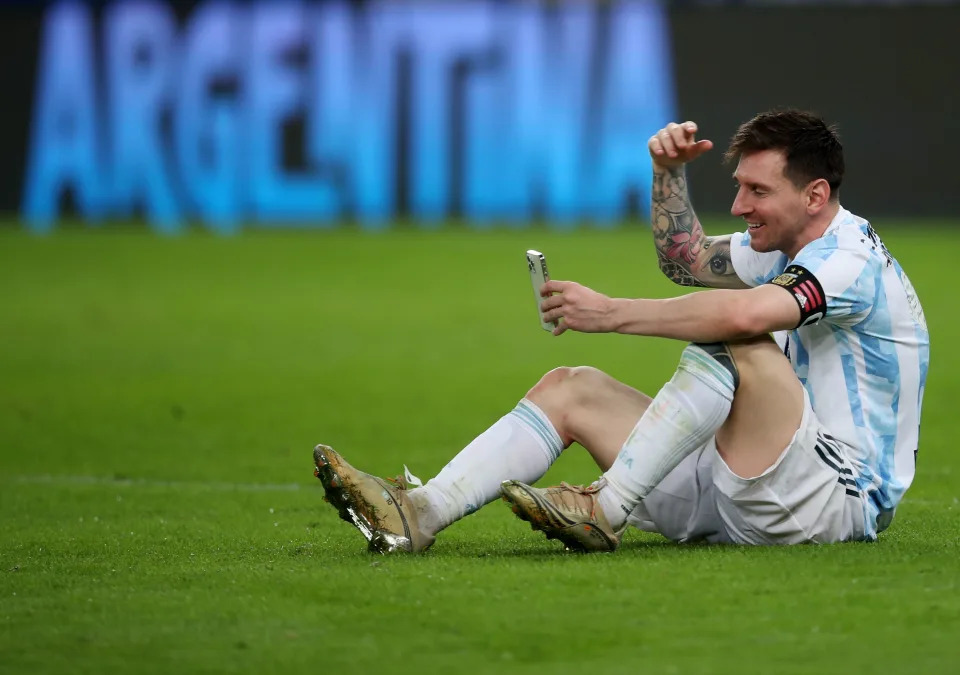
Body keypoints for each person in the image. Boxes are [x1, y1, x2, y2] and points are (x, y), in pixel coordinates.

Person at [313, 109, 930, 553]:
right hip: (745, 482)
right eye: (739, 185)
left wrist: (609, 314)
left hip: (833, 499)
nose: (739, 206)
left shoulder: (852, 257)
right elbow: (684, 258)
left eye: (756, 190)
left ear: (816, 195)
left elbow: (742, 317)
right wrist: (666, 173)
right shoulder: (780, 244)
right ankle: (416, 515)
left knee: (736, 336)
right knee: (569, 389)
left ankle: (603, 508)